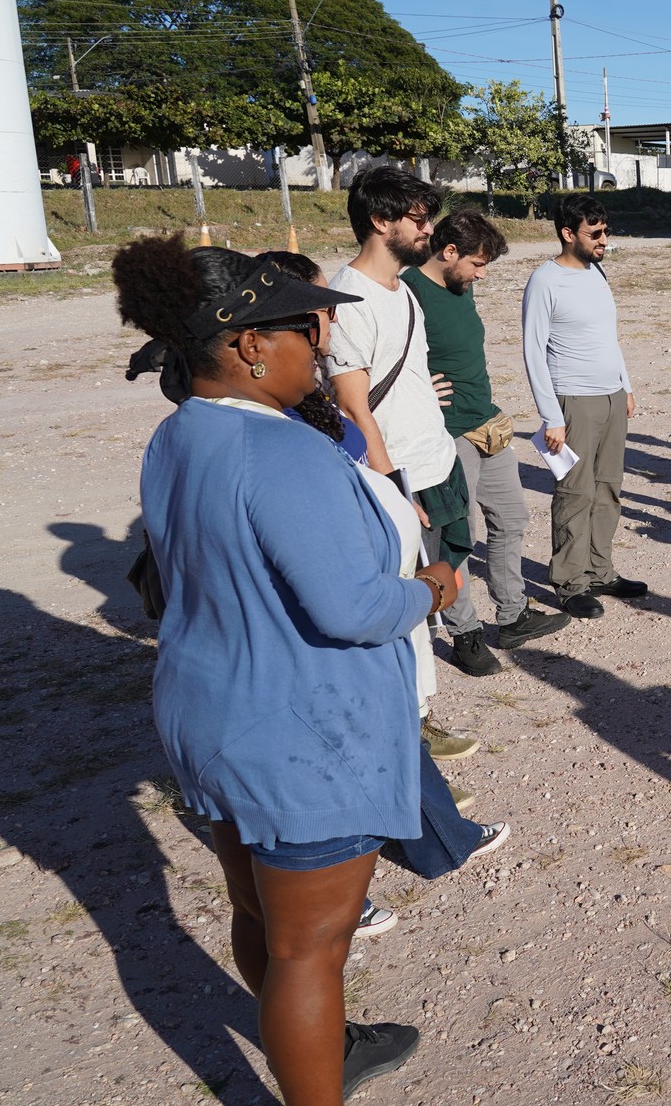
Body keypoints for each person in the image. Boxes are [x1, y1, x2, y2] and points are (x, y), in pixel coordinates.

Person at [114, 236, 453, 1102]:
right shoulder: (287, 454)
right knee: (312, 948)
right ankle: (315, 1072)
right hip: (301, 737)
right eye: (305, 328)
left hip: (211, 716)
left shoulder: (178, 433)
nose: (323, 345)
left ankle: (316, 1044)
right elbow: (353, 609)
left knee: (260, 913)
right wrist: (430, 592)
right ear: (248, 345)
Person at [270, 250, 510, 939]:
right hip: (339, 620)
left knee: (385, 709)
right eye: (316, 313)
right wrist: (422, 591)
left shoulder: (275, 410)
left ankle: (430, 836)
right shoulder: (265, 428)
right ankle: (344, 894)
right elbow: (349, 603)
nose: (327, 326)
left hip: (363, 578)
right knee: (353, 716)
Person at [323, 167, 485, 762]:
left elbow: (402, 370)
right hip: (397, 478)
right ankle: (408, 723)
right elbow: (352, 404)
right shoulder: (349, 299)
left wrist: (426, 395)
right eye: (418, 219)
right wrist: (391, 487)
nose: (429, 230)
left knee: (434, 590)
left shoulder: (406, 290)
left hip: (437, 460)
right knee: (403, 605)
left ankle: (417, 713)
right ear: (379, 221)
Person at [409, 211, 570, 649]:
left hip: (486, 423)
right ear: (449, 252)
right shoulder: (409, 292)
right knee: (459, 534)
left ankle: (513, 615)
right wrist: (420, 386)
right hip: (448, 434)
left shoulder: (460, 286)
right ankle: (464, 634)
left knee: (512, 518)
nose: (481, 274)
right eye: (477, 264)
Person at [521, 194, 646, 618]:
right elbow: (533, 351)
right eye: (596, 233)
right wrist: (551, 416)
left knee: (608, 487)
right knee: (575, 492)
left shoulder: (597, 273)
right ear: (567, 233)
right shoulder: (544, 280)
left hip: (611, 397)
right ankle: (570, 582)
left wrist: (625, 386)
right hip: (572, 401)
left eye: (606, 231)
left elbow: (607, 337)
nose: (604, 240)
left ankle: (600, 571)